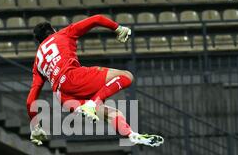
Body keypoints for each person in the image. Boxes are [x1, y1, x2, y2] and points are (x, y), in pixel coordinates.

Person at [26, 14, 164, 147]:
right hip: (73, 77)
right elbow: (97, 19)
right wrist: (118, 28)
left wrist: (35, 127)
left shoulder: (37, 61)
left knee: (113, 114)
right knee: (127, 76)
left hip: (63, 97)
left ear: (38, 41)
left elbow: (30, 101)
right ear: (53, 30)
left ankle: (131, 135)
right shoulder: (62, 34)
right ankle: (92, 103)